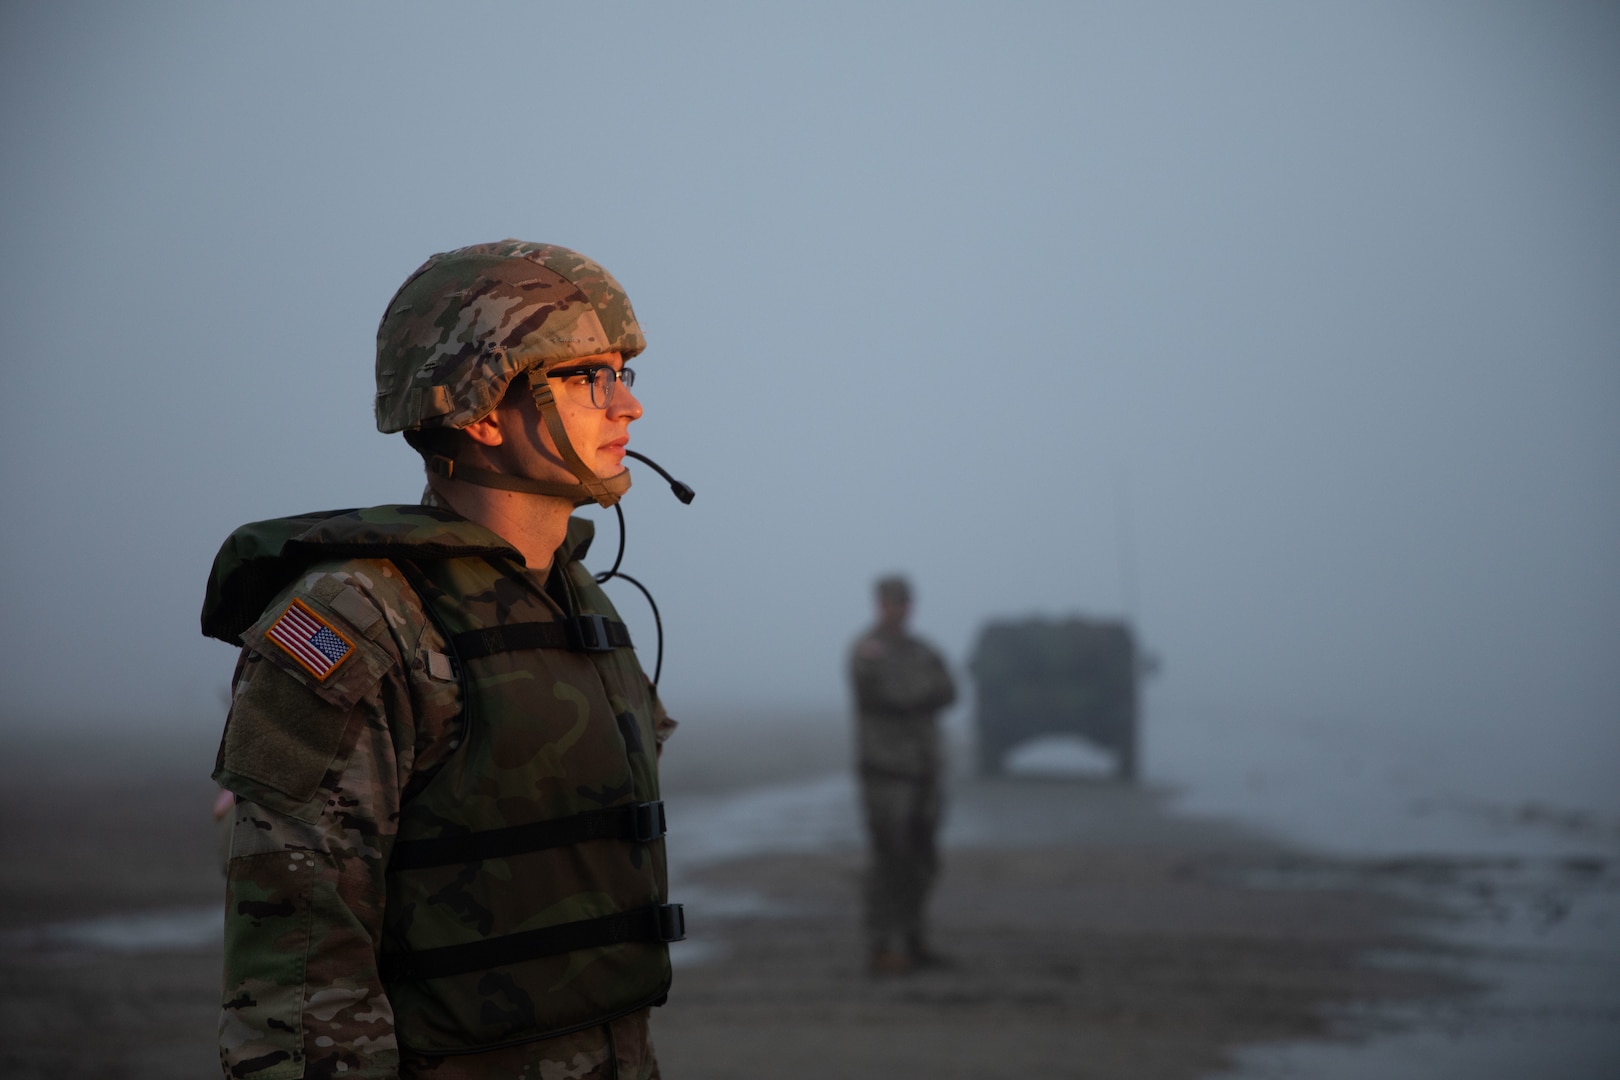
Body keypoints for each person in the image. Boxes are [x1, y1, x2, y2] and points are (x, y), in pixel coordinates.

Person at [201, 241, 684, 1080]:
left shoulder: (577, 596)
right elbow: (301, 968)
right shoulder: (360, 615)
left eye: (623, 376)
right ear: (480, 410)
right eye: (585, 378)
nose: (627, 409)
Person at [847, 574, 956, 975]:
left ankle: (914, 940)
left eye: (904, 602)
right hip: (885, 770)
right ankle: (882, 945)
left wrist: (918, 689)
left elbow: (949, 690)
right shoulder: (867, 650)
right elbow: (888, 695)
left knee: (923, 858)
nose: (898, 609)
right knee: (888, 859)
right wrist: (919, 690)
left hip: (924, 768)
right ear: (880, 605)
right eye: (892, 602)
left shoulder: (923, 650)